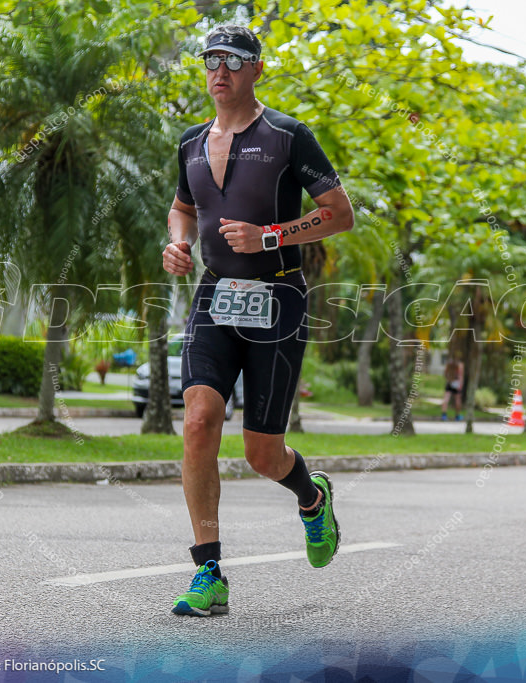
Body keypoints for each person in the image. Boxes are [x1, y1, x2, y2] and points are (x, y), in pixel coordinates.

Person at [161, 24, 354, 617]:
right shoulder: (192, 143)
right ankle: (209, 573)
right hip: (215, 297)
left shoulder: (288, 136)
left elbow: (339, 214)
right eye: (210, 61)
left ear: (256, 70)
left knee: (262, 454)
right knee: (198, 420)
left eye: (234, 61)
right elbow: (181, 208)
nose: (220, 71)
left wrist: (271, 234)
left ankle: (311, 497)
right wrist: (177, 243)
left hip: (277, 299)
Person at [441, 356, 464, 421]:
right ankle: (457, 416)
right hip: (456, 383)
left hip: (449, 382)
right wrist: (460, 385)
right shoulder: (460, 364)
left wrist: (448, 379)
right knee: (457, 400)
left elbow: (445, 373)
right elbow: (460, 375)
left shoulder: (449, 363)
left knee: (446, 399)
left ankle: (444, 415)